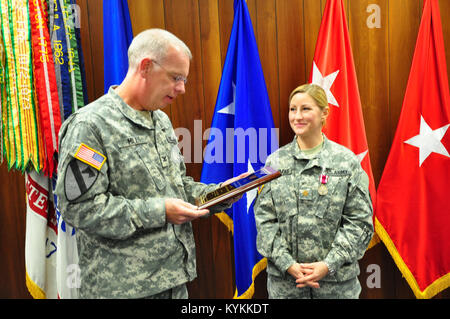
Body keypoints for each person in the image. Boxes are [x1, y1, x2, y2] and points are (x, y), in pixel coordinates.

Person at [55, 28, 241, 299]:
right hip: (121, 290)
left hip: (174, 281)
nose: (182, 88)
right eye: (176, 77)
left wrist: (221, 193)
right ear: (145, 67)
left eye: (184, 79)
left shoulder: (159, 120)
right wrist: (159, 211)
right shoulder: (90, 125)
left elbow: (176, 187)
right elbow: (78, 208)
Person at [254, 83, 373, 299]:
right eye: (292, 109)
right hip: (287, 286)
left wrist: (329, 264)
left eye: (305, 109)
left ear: (324, 113)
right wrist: (287, 263)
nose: (297, 116)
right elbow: (264, 220)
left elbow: (359, 222)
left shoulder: (346, 162)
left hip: (336, 287)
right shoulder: (274, 162)